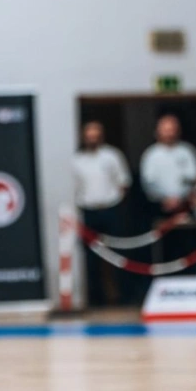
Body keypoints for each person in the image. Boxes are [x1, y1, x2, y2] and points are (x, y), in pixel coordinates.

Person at [73, 122, 132, 307]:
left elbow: (123, 182)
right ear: (83, 137)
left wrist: (117, 203)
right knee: (91, 258)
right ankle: (95, 298)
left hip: (111, 209)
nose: (92, 138)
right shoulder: (77, 160)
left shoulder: (112, 156)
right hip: (88, 211)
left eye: (96, 134)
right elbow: (74, 187)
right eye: (89, 135)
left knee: (118, 253)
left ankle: (124, 296)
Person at [139, 115, 196, 217]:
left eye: (172, 130)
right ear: (158, 131)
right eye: (166, 130)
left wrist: (180, 198)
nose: (169, 134)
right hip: (159, 206)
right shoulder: (151, 155)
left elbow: (193, 177)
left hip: (186, 205)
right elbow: (148, 182)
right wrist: (165, 199)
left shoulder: (187, 151)